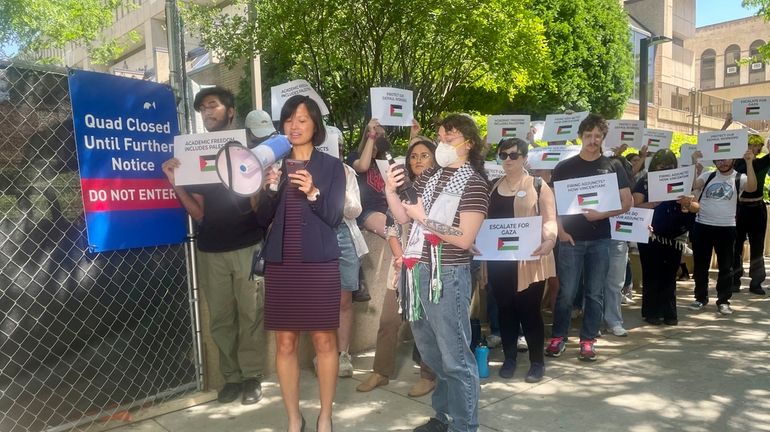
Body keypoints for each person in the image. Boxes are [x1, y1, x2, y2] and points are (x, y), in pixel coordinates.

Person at [161, 86, 266, 405]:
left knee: (251, 314)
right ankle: (231, 378)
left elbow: (257, 205)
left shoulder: (250, 151)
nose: (207, 112)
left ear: (230, 111)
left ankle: (251, 377)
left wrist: (253, 179)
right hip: (211, 250)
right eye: (203, 108)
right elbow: (200, 214)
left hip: (248, 246)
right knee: (221, 318)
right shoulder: (195, 154)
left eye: (213, 106)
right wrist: (176, 183)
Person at [386, 114, 489, 432]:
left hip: (448, 274)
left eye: (449, 138)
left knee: (456, 357)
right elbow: (404, 215)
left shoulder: (475, 184)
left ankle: (464, 425)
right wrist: (391, 190)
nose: (442, 142)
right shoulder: (431, 176)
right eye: (440, 137)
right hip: (418, 270)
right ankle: (443, 416)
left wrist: (425, 218)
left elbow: (464, 238)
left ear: (468, 143)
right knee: (432, 353)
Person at [256, 95, 345, 432]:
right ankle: (294, 417)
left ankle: (325, 415)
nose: (294, 125)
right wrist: (268, 188)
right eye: (289, 119)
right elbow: (262, 219)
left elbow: (335, 217)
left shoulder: (331, 166)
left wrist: (312, 192)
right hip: (282, 263)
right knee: (285, 342)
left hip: (319, 264)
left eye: (303, 119)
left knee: (324, 341)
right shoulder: (274, 163)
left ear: (315, 126)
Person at [545, 113, 632, 362]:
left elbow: (626, 203)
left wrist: (603, 213)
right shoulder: (564, 167)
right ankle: (559, 337)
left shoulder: (613, 166)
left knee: (595, 293)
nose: (593, 140)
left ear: (603, 137)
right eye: (588, 135)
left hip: (601, 239)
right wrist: (561, 231)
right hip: (571, 239)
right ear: (581, 136)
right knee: (566, 292)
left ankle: (587, 340)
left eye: (597, 136)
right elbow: (553, 204)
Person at [356, 136, 438, 398]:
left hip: (430, 267)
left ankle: (429, 375)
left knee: (426, 324)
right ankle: (381, 372)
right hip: (402, 265)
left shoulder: (439, 190)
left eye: (424, 155)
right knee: (388, 320)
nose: (418, 160)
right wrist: (399, 256)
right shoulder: (400, 189)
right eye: (414, 156)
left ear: (435, 159)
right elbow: (392, 225)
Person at [486, 138, 557, 382]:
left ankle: (537, 362)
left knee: (529, 311)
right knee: (505, 311)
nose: (507, 159)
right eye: (503, 155)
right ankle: (510, 358)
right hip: (499, 261)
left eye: (513, 155)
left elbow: (550, 220)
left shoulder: (538, 186)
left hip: (530, 260)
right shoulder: (492, 187)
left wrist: (549, 240)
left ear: (525, 158)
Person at [633, 149, 699, 325]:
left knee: (669, 275)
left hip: (674, 237)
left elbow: (696, 207)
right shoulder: (644, 182)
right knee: (651, 273)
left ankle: (670, 313)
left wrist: (688, 203)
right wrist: (654, 202)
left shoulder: (681, 181)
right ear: (654, 166)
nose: (664, 169)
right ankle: (651, 312)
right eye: (660, 166)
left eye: (668, 166)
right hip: (650, 235)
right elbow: (635, 206)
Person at [688, 147, 756, 315]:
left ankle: (723, 300)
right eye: (719, 159)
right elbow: (692, 185)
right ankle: (700, 298)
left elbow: (752, 187)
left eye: (726, 159)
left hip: (726, 228)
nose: (722, 162)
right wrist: (693, 162)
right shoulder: (708, 175)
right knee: (701, 266)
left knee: (726, 267)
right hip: (702, 226)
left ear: (733, 160)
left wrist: (749, 162)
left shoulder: (740, 178)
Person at [337, 162, 368, 377]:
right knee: (319, 301)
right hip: (313, 234)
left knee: (344, 300)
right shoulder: (300, 167)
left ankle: (342, 354)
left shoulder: (346, 171)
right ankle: (324, 352)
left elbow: (355, 210)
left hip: (344, 233)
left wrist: (340, 188)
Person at [732, 134, 769, 295]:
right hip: (740, 208)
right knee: (736, 245)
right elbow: (716, 150)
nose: (757, 148)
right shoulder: (736, 163)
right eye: (754, 145)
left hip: (758, 208)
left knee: (757, 246)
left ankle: (756, 282)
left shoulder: (763, 162)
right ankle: (734, 280)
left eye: (760, 146)